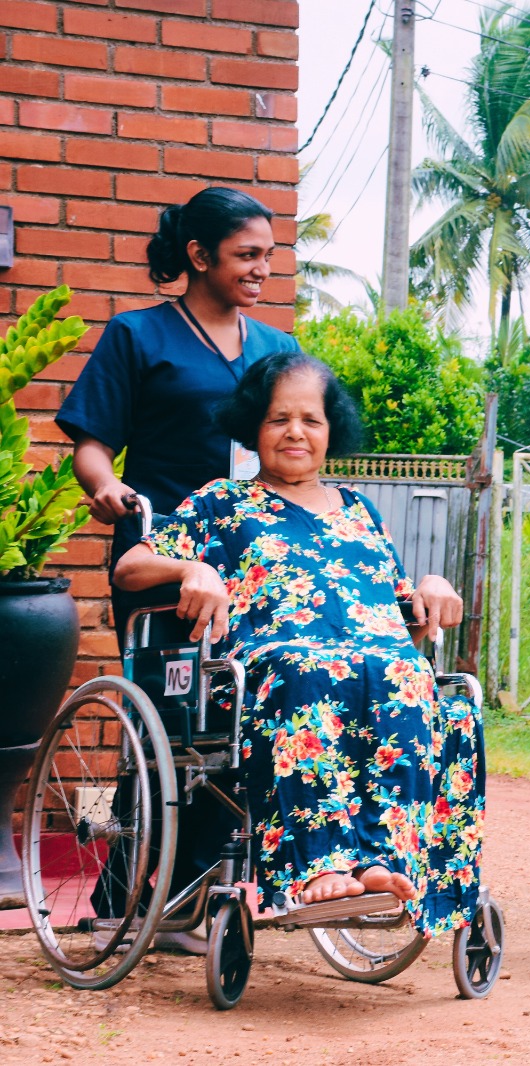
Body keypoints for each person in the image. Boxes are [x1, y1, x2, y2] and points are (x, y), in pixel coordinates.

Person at [113, 353, 483, 935]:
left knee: (417, 679)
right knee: (306, 670)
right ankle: (320, 865)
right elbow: (129, 567)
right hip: (269, 669)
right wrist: (191, 568)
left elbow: (405, 613)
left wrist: (432, 585)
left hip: (372, 666)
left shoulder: (359, 509)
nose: (295, 432)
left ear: (332, 431)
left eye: (311, 419)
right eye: (278, 418)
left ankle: (383, 860)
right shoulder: (221, 502)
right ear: (253, 427)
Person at [58, 186, 297, 952]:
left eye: (269, 256)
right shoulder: (138, 335)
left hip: (251, 555)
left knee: (238, 718)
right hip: (161, 554)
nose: (262, 269)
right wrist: (106, 486)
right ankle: (122, 895)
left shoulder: (275, 350)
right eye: (246, 255)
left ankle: (190, 894)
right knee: (166, 724)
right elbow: (91, 442)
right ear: (198, 255)